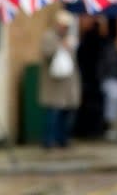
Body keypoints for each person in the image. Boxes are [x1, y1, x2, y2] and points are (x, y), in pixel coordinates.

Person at [39, 10, 81, 149]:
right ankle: (49, 141)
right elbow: (47, 53)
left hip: (67, 84)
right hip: (54, 83)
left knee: (66, 114)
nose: (65, 28)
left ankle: (62, 139)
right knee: (53, 113)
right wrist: (60, 46)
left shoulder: (70, 38)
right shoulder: (49, 36)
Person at [98, 25, 117, 141]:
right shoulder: (111, 52)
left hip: (115, 81)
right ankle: (110, 128)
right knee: (112, 105)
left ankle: (114, 129)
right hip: (111, 80)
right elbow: (109, 67)